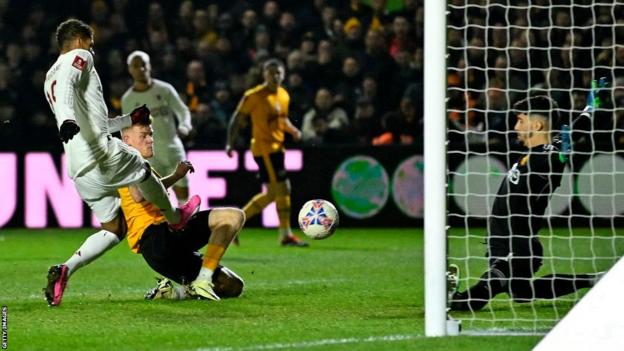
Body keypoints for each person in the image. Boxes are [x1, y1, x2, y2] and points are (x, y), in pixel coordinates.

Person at [42, 19, 200, 307]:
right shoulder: (80, 57)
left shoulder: (48, 77)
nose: (93, 50)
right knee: (141, 168)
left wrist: (129, 120)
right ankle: (177, 218)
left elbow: (95, 123)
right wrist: (66, 118)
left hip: (79, 171)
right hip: (100, 155)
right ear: (79, 41)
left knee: (114, 228)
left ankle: (65, 269)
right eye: (91, 43)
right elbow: (67, 92)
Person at [448, 93, 605, 311]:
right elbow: (574, 131)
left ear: (538, 125)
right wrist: (589, 107)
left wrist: (563, 152)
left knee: (489, 286)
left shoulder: (548, 157)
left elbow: (563, 148)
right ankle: (595, 280)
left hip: (517, 245)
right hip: (504, 241)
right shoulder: (539, 152)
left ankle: (455, 300)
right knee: (521, 292)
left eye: (521, 120)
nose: (515, 126)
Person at [118, 120, 244, 301]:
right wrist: (175, 178)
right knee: (233, 216)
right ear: (127, 140)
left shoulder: (141, 167)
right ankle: (203, 280)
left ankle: (174, 293)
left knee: (232, 286)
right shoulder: (130, 161)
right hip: (156, 237)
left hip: (164, 246)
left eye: (151, 134)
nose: (150, 140)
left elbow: (148, 191)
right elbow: (139, 195)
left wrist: (176, 179)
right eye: (143, 135)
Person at [226, 58, 307, 247]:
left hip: (278, 148)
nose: (275, 76)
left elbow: (282, 120)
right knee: (280, 189)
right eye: (271, 73)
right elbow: (238, 117)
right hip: (264, 149)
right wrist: (230, 142)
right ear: (264, 74)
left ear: (283, 74)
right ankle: (283, 234)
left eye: (279, 73)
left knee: (276, 192)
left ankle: (236, 224)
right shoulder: (254, 95)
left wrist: (293, 131)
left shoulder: (283, 95)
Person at [122, 50, 193, 204]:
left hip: (172, 146)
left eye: (143, 65)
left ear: (150, 66)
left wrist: (185, 126)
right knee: (156, 195)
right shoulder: (128, 100)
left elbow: (182, 110)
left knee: (183, 192)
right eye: (136, 66)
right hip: (149, 153)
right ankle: (166, 225)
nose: (141, 69)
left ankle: (187, 224)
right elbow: (128, 130)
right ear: (129, 69)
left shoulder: (164, 89)